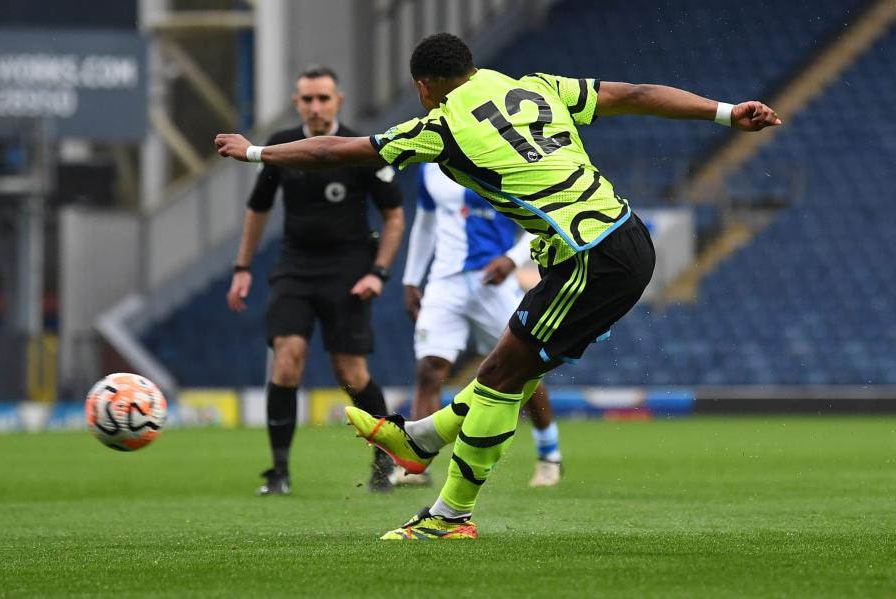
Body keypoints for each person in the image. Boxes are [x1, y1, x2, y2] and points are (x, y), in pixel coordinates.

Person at [215, 34, 780, 537]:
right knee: (502, 374)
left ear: (424, 87)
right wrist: (727, 113)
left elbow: (341, 150)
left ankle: (447, 514)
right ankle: (419, 443)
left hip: (593, 256)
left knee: (504, 377)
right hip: (613, 237)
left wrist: (258, 152)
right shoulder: (536, 87)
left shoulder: (442, 124)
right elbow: (633, 93)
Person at [225, 65, 405, 495]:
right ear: (296, 103)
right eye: (308, 99)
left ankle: (385, 458)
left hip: (349, 271)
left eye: (323, 98)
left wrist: (378, 272)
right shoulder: (280, 147)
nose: (316, 106)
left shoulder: (360, 147)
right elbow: (257, 209)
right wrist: (242, 268)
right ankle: (279, 472)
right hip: (295, 268)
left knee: (352, 371)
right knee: (287, 359)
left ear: (338, 100)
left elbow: (394, 216)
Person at [398, 161, 562, 488]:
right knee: (429, 368)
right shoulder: (430, 165)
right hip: (444, 282)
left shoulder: (498, 154)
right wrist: (411, 278)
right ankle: (417, 465)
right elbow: (426, 223)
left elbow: (540, 218)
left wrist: (513, 259)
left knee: (523, 369)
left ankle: (550, 456)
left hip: (494, 282)